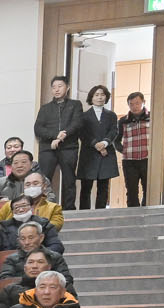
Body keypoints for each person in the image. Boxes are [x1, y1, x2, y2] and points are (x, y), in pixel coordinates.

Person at [34, 75, 83, 205]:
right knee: (44, 180)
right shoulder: (45, 108)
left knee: (69, 180)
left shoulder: (75, 105)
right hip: (48, 147)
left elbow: (77, 124)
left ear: (67, 87)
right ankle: (42, 207)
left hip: (69, 147)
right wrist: (56, 135)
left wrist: (62, 137)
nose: (56, 89)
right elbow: (38, 128)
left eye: (60, 86)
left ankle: (69, 209)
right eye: (54, 87)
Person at [74, 85, 121, 211]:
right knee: (86, 187)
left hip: (106, 154)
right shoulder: (83, 116)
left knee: (103, 187)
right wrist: (96, 144)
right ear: (91, 97)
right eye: (96, 95)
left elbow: (114, 131)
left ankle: (101, 213)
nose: (100, 97)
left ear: (106, 97)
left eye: (102, 95)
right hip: (89, 154)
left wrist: (105, 143)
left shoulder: (111, 115)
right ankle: (84, 214)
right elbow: (82, 133)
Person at [118, 91, 151, 208]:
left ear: (143, 102)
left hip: (148, 159)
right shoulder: (123, 120)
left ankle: (146, 213)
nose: (134, 106)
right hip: (129, 161)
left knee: (149, 190)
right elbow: (116, 140)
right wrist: (123, 150)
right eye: (131, 104)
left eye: (137, 103)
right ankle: (132, 215)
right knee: (131, 192)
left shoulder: (151, 117)